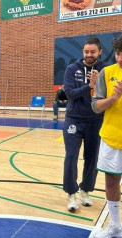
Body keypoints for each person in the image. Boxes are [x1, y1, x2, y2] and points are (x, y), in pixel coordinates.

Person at [63, 37, 108, 212]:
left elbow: (108, 94)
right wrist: (89, 86)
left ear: (100, 52)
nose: (89, 55)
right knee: (71, 156)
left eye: (93, 52)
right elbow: (69, 94)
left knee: (92, 159)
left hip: (96, 120)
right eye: (86, 52)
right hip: (74, 119)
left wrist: (98, 86)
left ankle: (85, 191)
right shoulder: (71, 69)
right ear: (82, 52)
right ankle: (71, 193)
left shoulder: (105, 69)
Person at [90, 35, 122, 238]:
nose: (120, 59)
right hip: (111, 138)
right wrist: (114, 97)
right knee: (111, 181)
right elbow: (96, 106)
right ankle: (116, 226)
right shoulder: (107, 73)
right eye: (119, 54)